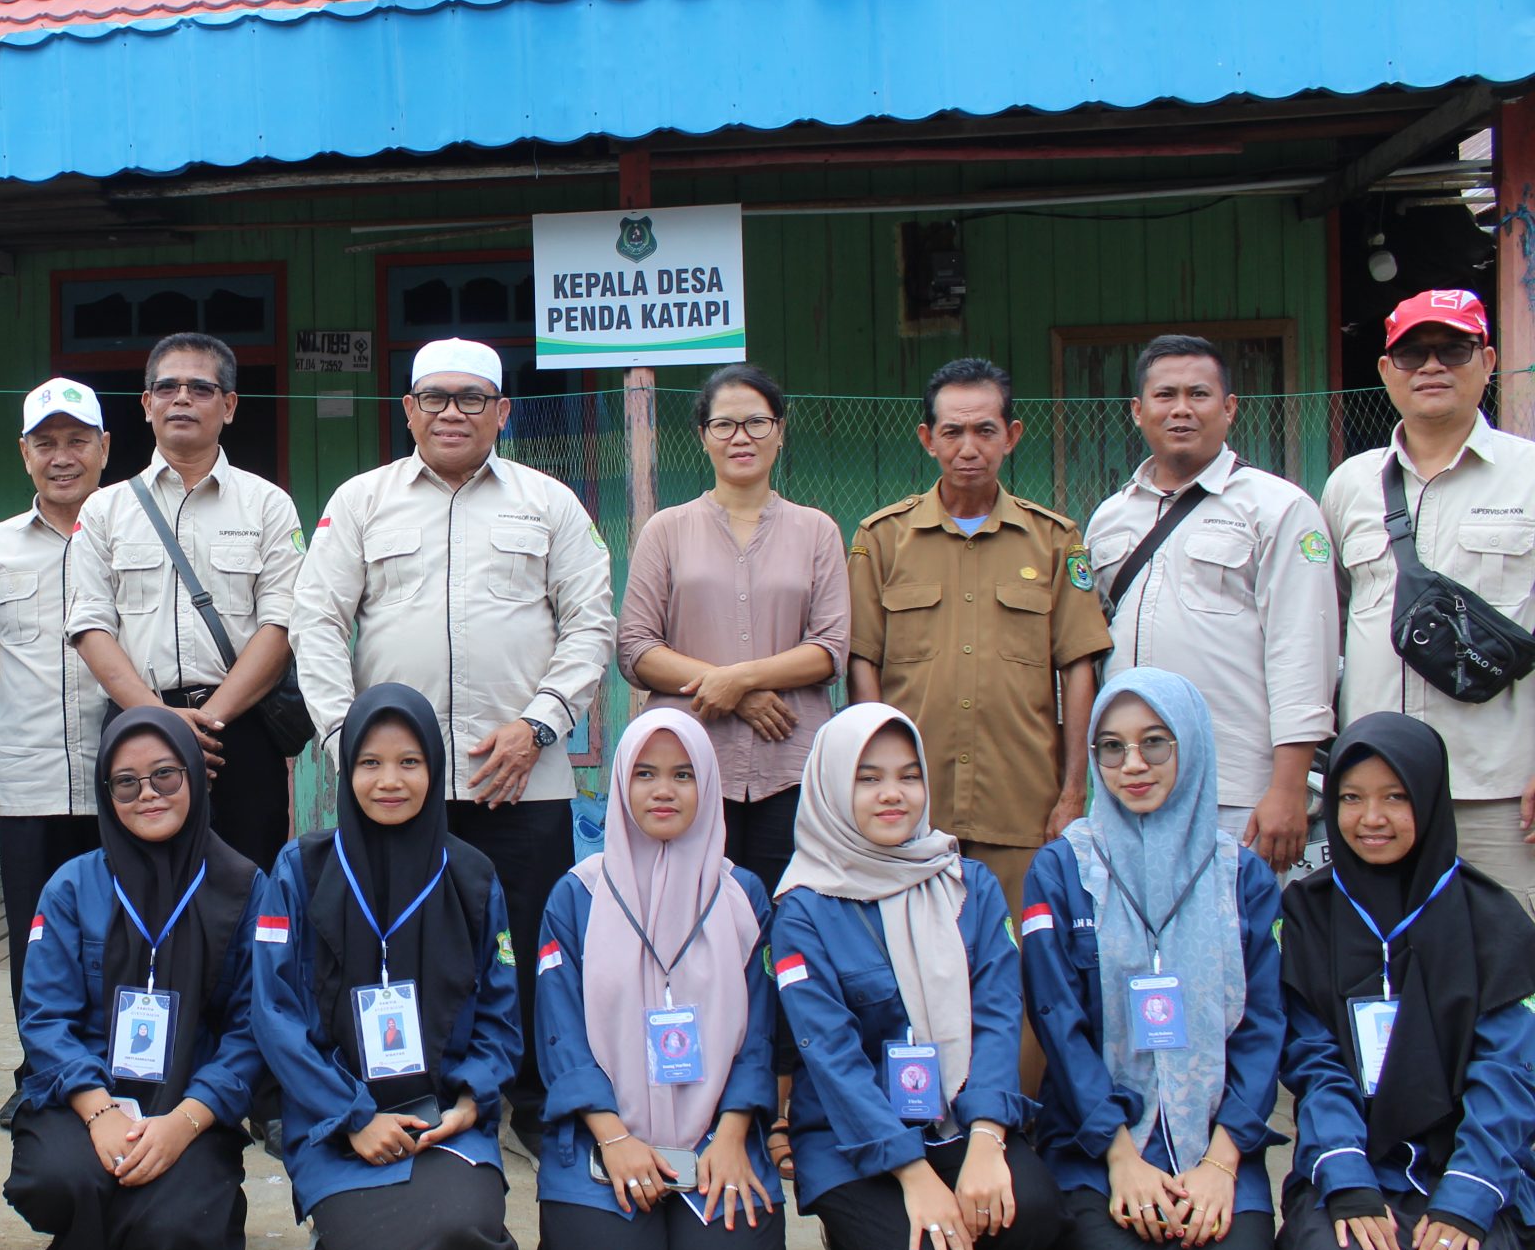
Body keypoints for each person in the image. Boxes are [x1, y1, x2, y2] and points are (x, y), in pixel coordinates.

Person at [293, 336, 615, 1146]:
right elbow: (317, 623)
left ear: (503, 411)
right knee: (397, 943)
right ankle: (413, 1093)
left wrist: (540, 721)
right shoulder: (362, 501)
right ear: (407, 409)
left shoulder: (550, 503)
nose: (451, 412)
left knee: (534, 946)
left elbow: (589, 624)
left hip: (521, 777)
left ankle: (543, 1107)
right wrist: (347, 742)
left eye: (472, 397)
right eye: (433, 396)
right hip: (397, 786)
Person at [1016, 669, 1309, 1250]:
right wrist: (1122, 1158)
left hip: (1214, 1136)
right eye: (1111, 748)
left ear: (1195, 748)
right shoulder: (1062, 868)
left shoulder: (1242, 875)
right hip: (1101, 1139)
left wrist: (1220, 1163)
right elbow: (1059, 1021)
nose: (1133, 765)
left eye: (1155, 743)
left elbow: (1265, 1028)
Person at [250, 683, 551, 1250]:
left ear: (435, 769)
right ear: (346, 767)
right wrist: (352, 1116)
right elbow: (273, 1012)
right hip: (338, 1125)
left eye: (410, 762)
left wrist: (473, 1099)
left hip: (444, 1121)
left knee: (459, 1236)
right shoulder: (300, 870)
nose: (390, 780)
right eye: (371, 763)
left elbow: (502, 1011)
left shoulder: (472, 876)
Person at [771, 703, 1066, 1250]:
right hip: (857, 1139)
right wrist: (912, 1173)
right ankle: (853, 1245)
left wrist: (988, 1139)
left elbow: (996, 1013)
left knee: (1034, 1209)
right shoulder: (804, 909)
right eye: (868, 777)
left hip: (957, 1118)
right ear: (830, 786)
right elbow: (831, 1057)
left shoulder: (968, 885)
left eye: (908, 776)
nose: (892, 795)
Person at [1274, 714, 1535, 1250]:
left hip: (1461, 1165)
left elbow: (1506, 1074)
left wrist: (1466, 1200)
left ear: (1428, 798)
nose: (1371, 818)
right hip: (1359, 1165)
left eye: (1394, 796)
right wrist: (1350, 1180)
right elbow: (1314, 1059)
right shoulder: (1309, 910)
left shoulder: (1492, 916)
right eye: (1352, 798)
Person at [0, 706, 264, 1250]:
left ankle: (136, 1225)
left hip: (190, 1105)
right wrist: (100, 1113)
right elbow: (44, 1017)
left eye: (166, 776)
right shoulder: (71, 886)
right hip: (87, 1100)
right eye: (127, 782)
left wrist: (184, 1123)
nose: (148, 795)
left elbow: (253, 1028)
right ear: (106, 792)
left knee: (180, 1238)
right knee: (56, 1183)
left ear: (195, 777)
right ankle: (119, 1215)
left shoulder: (244, 887)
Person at [530, 708, 785, 1250]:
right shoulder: (579, 895)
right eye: (644, 773)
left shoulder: (741, 895)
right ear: (620, 784)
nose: (663, 790)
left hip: (714, 1134)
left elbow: (759, 1035)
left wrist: (731, 1135)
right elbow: (559, 1033)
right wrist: (613, 1137)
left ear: (707, 785)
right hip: (604, 1136)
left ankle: (698, 1214)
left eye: (682, 774)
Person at [847, 357, 1112, 915]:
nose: (969, 447)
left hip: (1022, 803)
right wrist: (875, 780)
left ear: (1011, 436)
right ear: (928, 439)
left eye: (985, 430)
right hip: (914, 806)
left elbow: (1079, 667)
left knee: (1020, 972)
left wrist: (1072, 793)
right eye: (953, 431)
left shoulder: (1055, 541)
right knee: (915, 966)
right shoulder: (882, 540)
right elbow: (861, 661)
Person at [1086, 335, 1336, 873]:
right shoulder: (1109, 517)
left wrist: (1287, 789)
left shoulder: (1279, 508)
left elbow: (1303, 655)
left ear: (1228, 409)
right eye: (1165, 395)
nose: (1181, 409)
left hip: (1238, 790)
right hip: (1130, 783)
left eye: (1199, 394)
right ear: (1137, 411)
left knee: (1241, 946)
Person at [1324, 290, 1535, 913]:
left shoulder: (1529, 475)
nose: (1432, 366)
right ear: (1388, 371)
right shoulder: (1349, 485)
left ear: (1488, 360)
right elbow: (1329, 623)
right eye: (1413, 352)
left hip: (1494, 788)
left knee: (1505, 972)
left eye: (1454, 348)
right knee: (1383, 970)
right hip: (1375, 796)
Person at [67, 333, 303, 872]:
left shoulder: (269, 504)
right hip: (136, 726)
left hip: (238, 730)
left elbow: (282, 625)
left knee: (250, 880)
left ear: (229, 405)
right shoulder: (105, 509)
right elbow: (90, 626)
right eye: (166, 387)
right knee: (141, 885)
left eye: (201, 387)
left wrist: (208, 721)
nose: (182, 398)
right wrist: (161, 720)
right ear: (146, 404)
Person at [617, 364, 849, 893]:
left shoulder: (816, 530)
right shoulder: (667, 530)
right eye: (724, 425)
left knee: (788, 911)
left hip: (792, 764)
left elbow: (830, 649)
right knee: (691, 908)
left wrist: (738, 679)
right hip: (686, 766)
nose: (740, 437)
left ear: (780, 431)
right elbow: (635, 649)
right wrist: (732, 691)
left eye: (756, 423)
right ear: (703, 437)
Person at [0, 380, 113, 1125]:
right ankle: (43, 1072)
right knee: (39, 939)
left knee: (125, 931)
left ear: (105, 448)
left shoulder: (130, 532)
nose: (62, 457)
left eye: (77, 440)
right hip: (28, 780)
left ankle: (119, 1066)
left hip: (126, 782)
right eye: (45, 443)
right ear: (24, 455)